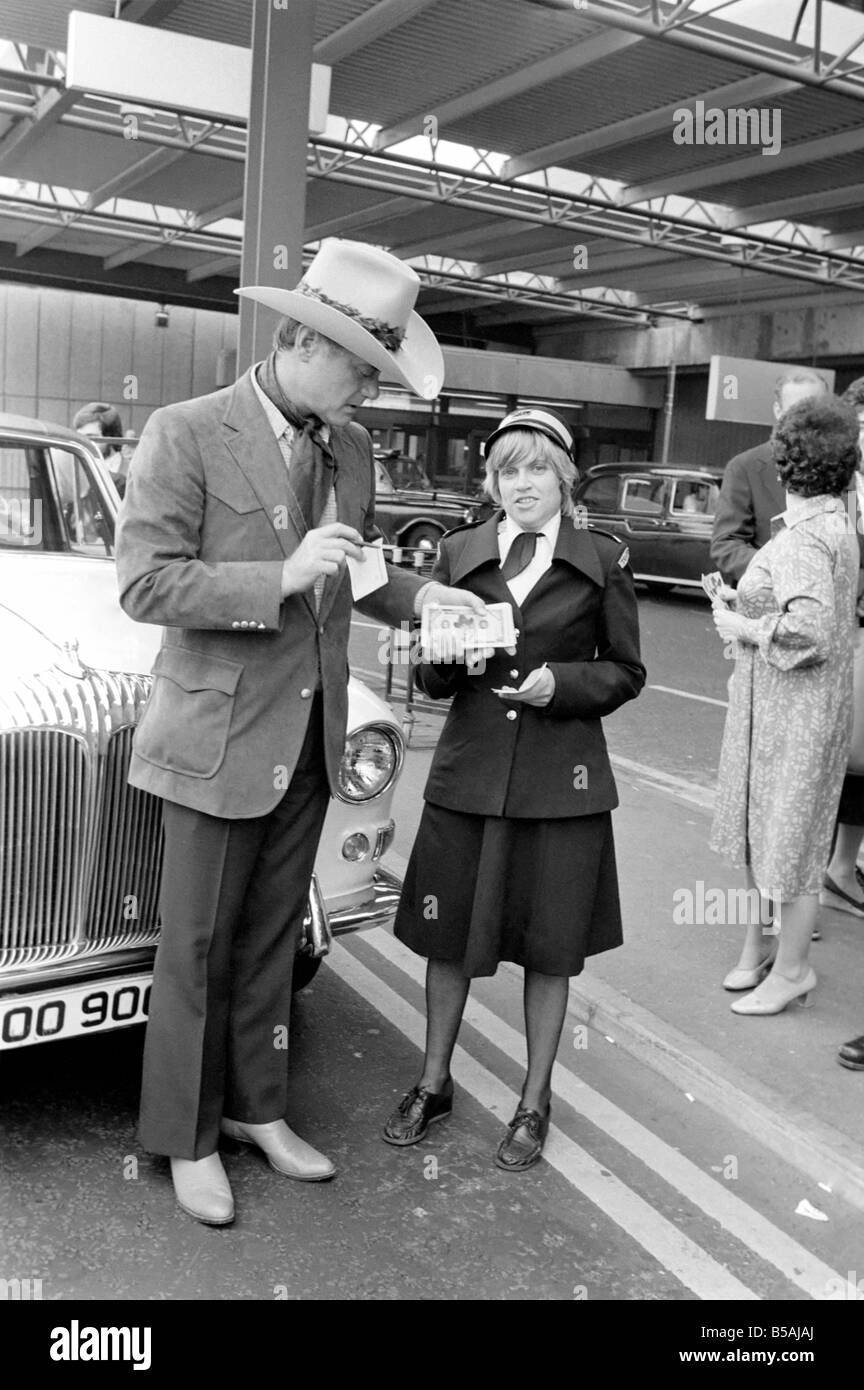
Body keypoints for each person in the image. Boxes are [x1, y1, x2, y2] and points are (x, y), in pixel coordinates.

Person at [115, 238, 487, 1225]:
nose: (370, 385)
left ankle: (256, 1109)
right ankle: (184, 1139)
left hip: (313, 738)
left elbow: (353, 574)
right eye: (361, 364)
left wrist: (427, 600)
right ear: (297, 340)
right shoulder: (186, 431)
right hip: (213, 743)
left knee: (276, 942)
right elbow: (145, 583)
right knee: (197, 946)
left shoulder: (350, 449)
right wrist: (272, 581)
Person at [380, 406, 645, 1170]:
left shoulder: (603, 557)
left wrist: (560, 682)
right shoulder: (460, 550)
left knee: (550, 948)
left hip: (561, 789)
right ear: (492, 480)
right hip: (468, 777)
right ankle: (433, 1083)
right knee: (446, 938)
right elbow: (428, 672)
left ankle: (534, 1100)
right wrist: (447, 657)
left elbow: (626, 672)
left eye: (536, 469)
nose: (521, 484)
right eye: (506, 470)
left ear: (562, 477)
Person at [710, 395, 860, 1015]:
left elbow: (814, 630)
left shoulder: (803, 539)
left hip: (789, 715)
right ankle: (765, 954)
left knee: (791, 845)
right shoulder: (834, 527)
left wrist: (740, 623)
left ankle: (792, 969)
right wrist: (744, 603)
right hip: (795, 711)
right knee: (772, 837)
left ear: (784, 463)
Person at [710, 368, 829, 585]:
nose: (805, 420)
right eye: (795, 411)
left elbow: (854, 532)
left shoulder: (843, 472)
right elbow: (726, 544)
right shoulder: (744, 468)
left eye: (814, 410)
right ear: (777, 410)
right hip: (766, 605)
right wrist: (783, 570)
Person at [73, 401, 128, 497]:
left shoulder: (132, 472)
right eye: (79, 437)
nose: (83, 443)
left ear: (111, 436)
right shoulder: (72, 469)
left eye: (91, 437)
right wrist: (36, 512)